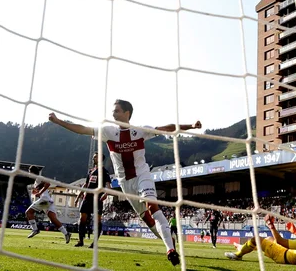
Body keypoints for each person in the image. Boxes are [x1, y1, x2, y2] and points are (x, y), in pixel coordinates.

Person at [49, 99, 201, 266]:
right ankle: (170, 240)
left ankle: (170, 250)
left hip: (143, 176)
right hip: (125, 183)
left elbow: (167, 128)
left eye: (117, 111)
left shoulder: (141, 131)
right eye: (113, 111)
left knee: (153, 207)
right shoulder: (108, 132)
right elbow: (82, 129)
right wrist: (58, 121)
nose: (113, 114)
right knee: (148, 220)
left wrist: (191, 126)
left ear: (127, 113)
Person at [225, 215, 296, 265]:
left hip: (281, 256)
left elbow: (280, 241)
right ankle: (242, 247)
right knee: (269, 239)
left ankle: (238, 255)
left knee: (256, 239)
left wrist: (270, 225)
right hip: (290, 256)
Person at [74, 152, 112, 248]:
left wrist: (106, 194)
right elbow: (86, 185)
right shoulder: (91, 171)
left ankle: (95, 242)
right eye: (93, 157)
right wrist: (79, 196)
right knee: (82, 218)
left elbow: (108, 186)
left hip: (97, 198)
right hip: (87, 197)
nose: (93, 159)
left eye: (95, 157)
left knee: (97, 221)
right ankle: (80, 240)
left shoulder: (104, 171)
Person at [25, 166, 71, 243]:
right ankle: (66, 233)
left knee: (28, 212)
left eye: (29, 172)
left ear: (32, 172)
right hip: (48, 200)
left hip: (45, 200)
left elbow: (48, 183)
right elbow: (43, 187)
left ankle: (35, 230)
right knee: (53, 219)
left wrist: (39, 193)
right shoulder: (37, 181)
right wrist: (36, 192)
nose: (29, 173)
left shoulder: (39, 177)